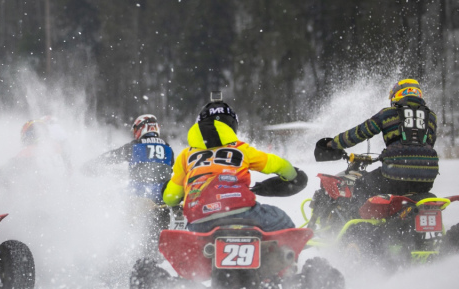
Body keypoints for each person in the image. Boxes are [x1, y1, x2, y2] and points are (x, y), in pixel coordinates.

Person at [163, 99, 305, 232]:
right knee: (284, 222)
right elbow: (279, 165)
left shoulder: (185, 156)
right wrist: (294, 175)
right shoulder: (241, 149)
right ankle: (280, 256)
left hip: (200, 221)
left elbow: (170, 197)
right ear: (232, 126)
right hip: (242, 212)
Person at [317, 79, 439, 205]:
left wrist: (332, 144)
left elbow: (358, 133)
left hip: (395, 173)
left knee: (361, 185)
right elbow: (427, 144)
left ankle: (359, 223)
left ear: (396, 95)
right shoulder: (431, 117)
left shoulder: (388, 114)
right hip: (427, 176)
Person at [83, 114, 174, 204]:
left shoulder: (134, 146)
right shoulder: (169, 149)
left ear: (141, 128)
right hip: (163, 195)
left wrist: (93, 164)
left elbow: (113, 156)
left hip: (138, 193)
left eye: (135, 129)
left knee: (107, 197)